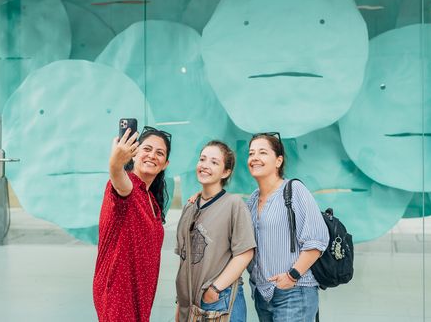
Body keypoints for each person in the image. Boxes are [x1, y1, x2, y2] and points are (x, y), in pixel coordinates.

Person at [246, 132, 329, 322]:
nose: (255, 158)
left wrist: (292, 276)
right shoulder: (251, 200)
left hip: (294, 291)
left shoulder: (294, 190)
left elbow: (317, 240)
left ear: (278, 161)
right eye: (251, 153)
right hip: (263, 295)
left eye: (262, 152)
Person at [93, 125, 172, 322]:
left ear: (165, 164)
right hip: (118, 295)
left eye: (159, 153)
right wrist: (115, 163)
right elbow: (118, 179)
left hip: (140, 297)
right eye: (147, 149)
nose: (152, 155)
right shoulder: (128, 187)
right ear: (134, 154)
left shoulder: (151, 200)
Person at [175, 140, 256, 322]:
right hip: (189, 301)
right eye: (202, 159)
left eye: (214, 162)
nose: (205, 165)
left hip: (218, 300)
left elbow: (245, 253)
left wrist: (215, 289)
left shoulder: (233, 204)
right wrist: (181, 305)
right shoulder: (190, 207)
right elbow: (184, 260)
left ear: (226, 172)